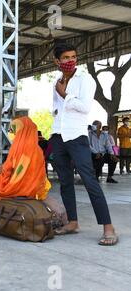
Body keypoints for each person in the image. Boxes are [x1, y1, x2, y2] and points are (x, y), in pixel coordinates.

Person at [48, 42, 118, 245]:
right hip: (58, 136)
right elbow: (56, 107)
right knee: (65, 182)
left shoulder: (85, 79)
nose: (71, 60)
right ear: (57, 61)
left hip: (77, 137)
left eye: (73, 57)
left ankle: (108, 227)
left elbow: (85, 107)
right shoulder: (57, 80)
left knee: (90, 180)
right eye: (66, 57)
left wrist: (66, 95)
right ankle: (72, 222)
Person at [0, 117, 51, 229]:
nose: (12, 133)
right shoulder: (37, 149)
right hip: (34, 188)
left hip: (17, 187)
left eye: (14, 130)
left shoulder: (21, 148)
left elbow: (7, 169)